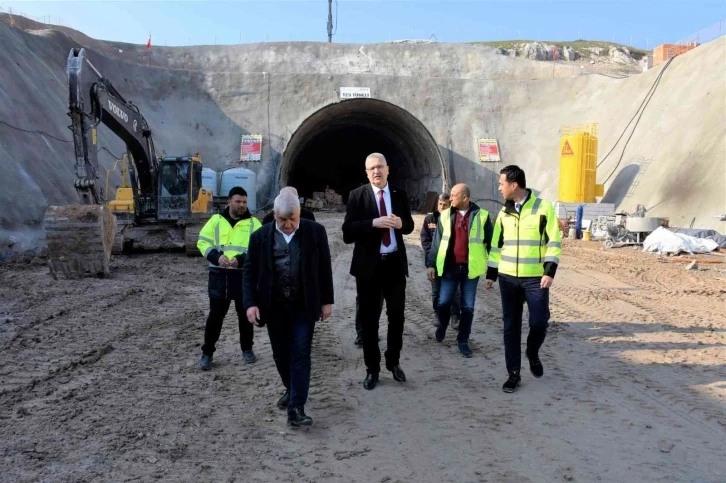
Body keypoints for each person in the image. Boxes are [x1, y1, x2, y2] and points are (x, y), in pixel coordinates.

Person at [243, 192, 334, 427]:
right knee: (280, 354)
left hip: (304, 306)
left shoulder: (315, 233)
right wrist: (251, 303)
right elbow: (249, 272)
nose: (288, 224)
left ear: (299, 213)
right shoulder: (260, 237)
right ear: (274, 215)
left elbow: (324, 268)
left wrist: (327, 301)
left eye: (292, 219)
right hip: (273, 307)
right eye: (283, 220)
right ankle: (291, 388)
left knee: (301, 354)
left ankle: (296, 407)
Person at [485, 165, 561, 393]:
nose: (499, 188)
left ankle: (532, 352)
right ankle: (513, 374)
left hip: (535, 278)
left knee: (539, 322)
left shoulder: (543, 208)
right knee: (511, 327)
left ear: (514, 184)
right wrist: (491, 275)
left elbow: (554, 242)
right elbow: (496, 246)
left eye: (501, 183)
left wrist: (549, 272)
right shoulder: (503, 213)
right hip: (508, 278)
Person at [342, 153, 414, 390]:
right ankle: (372, 369)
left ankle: (393, 362)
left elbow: (410, 225)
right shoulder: (357, 196)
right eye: (371, 168)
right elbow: (347, 232)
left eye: (380, 167)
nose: (376, 171)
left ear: (388, 169)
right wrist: (373, 223)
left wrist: (401, 224)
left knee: (397, 317)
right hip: (369, 268)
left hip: (394, 264)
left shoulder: (398, 194)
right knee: (370, 320)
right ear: (366, 172)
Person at [197, 186, 262, 370]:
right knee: (215, 317)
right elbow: (202, 241)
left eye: (244, 202)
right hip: (219, 276)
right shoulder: (215, 221)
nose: (241, 205)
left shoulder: (253, 224)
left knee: (245, 316)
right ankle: (207, 353)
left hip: (244, 276)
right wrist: (216, 257)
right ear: (229, 202)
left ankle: (247, 349)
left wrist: (241, 260)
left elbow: (259, 248)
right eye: (238, 201)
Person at [426, 184, 492, 357]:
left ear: (465, 197)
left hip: (470, 270)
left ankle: (463, 340)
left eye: (454, 195)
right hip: (449, 268)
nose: (450, 198)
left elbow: (491, 245)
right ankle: (442, 326)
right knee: (444, 302)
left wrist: (493, 272)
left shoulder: (482, 216)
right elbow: (437, 242)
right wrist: (431, 264)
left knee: (468, 307)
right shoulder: (446, 215)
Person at [420, 193, 461, 330]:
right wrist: (433, 255)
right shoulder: (430, 219)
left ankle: (455, 316)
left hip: (451, 262)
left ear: (450, 205)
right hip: (434, 262)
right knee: (436, 291)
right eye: (440, 204)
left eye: (445, 204)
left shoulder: (454, 218)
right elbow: (425, 240)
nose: (442, 207)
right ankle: (438, 314)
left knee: (454, 291)